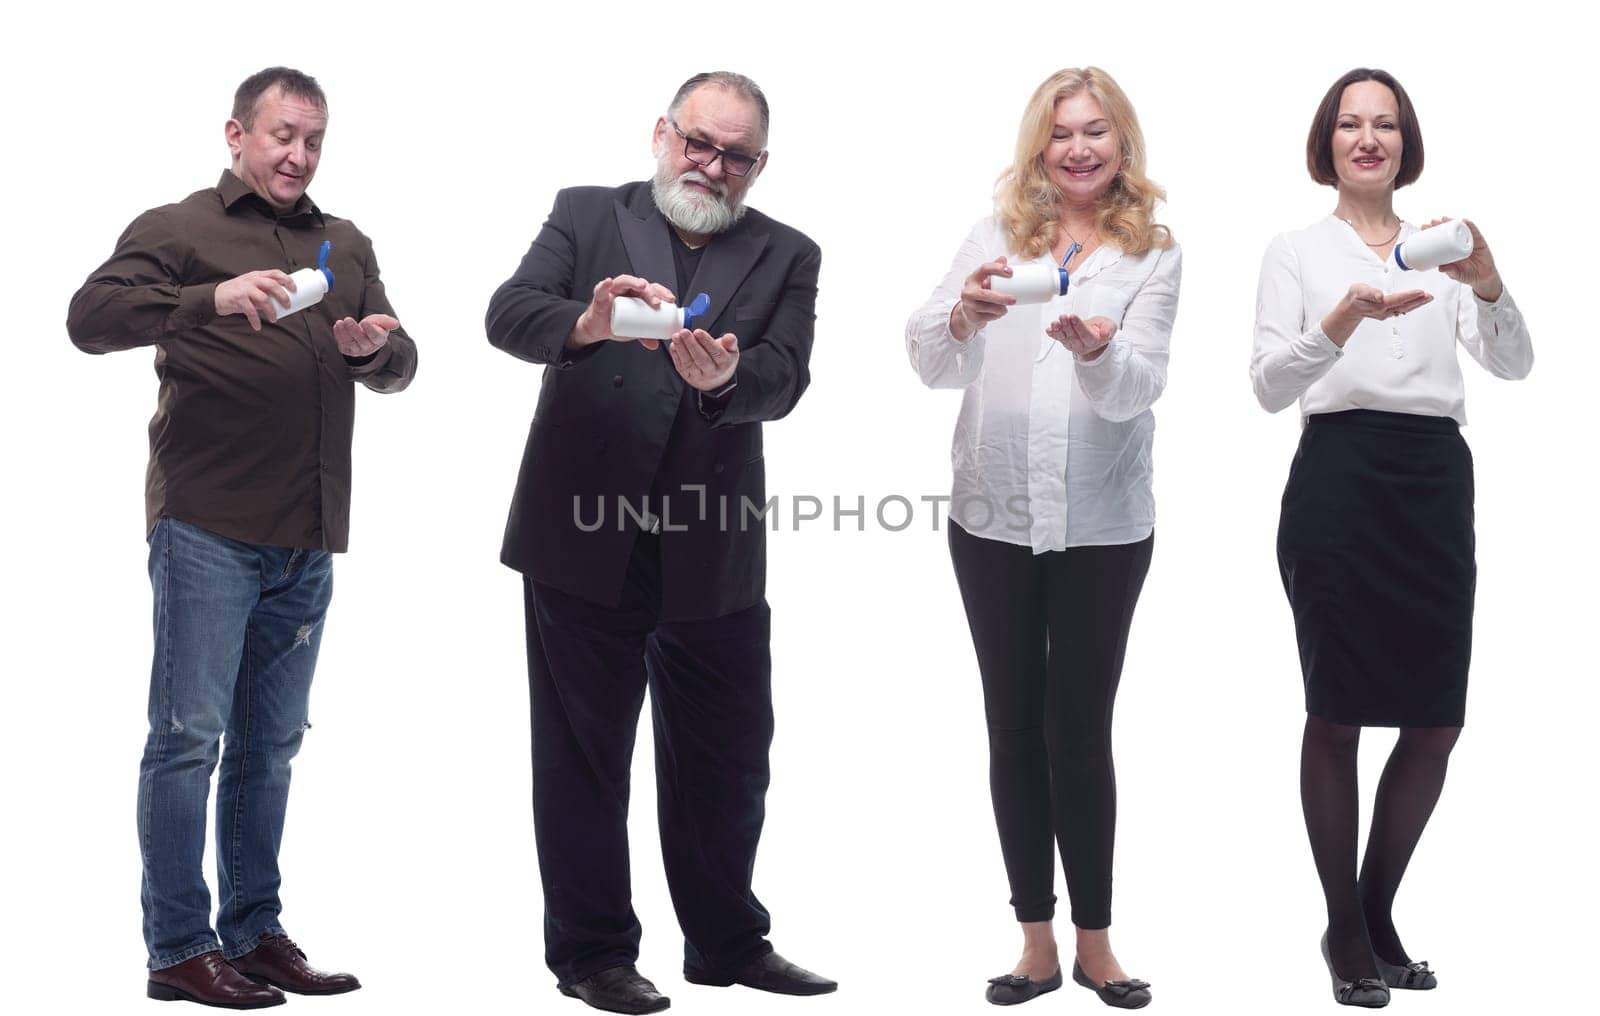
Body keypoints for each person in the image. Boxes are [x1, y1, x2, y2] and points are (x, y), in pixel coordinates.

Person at [66, 66, 417, 1009]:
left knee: (272, 747)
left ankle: (253, 933)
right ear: (236, 135)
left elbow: (400, 363)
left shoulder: (345, 241)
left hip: (307, 533)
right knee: (187, 741)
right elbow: (88, 319)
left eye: (314, 141)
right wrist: (206, 301)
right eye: (281, 137)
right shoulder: (179, 230)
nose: (298, 155)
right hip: (207, 526)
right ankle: (178, 947)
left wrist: (374, 351)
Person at [485, 70, 833, 1015]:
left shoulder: (787, 252)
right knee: (584, 758)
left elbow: (785, 374)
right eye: (698, 143)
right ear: (663, 134)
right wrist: (588, 323)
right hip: (582, 531)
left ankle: (726, 944)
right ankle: (594, 955)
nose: (712, 166)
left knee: (730, 756)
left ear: (759, 167)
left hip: (711, 539)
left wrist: (725, 381)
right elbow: (508, 314)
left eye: (735, 156)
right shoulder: (588, 213)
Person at [1251, 67, 1532, 1008]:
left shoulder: (1441, 247)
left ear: (1407, 140)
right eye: (1349, 124)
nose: (1367, 139)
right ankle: (1345, 926)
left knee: (1436, 718)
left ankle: (1369, 914)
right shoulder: (1296, 250)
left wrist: (1488, 284)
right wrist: (1340, 322)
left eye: (1385, 124)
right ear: (1325, 141)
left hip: (1433, 481)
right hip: (1339, 475)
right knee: (1336, 713)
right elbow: (1267, 385)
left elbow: (1516, 364)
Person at [906, 66, 1177, 1010]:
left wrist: (1102, 350)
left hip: (1104, 526)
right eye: (1062, 133)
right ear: (1039, 145)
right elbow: (928, 359)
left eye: (1097, 131)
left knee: (1080, 729)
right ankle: (1034, 942)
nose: (1079, 148)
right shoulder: (993, 239)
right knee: (1012, 726)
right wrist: (961, 315)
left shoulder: (1154, 253)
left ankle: (1096, 941)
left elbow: (1142, 389)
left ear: (1122, 143)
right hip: (993, 520)